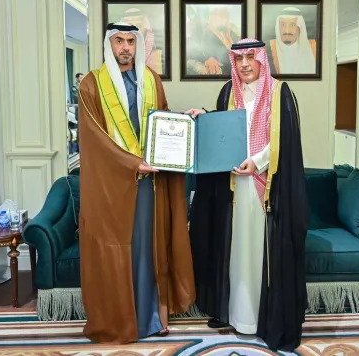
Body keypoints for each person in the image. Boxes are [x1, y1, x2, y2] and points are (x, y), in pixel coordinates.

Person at [185, 38, 309, 351]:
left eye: (250, 57)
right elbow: (225, 131)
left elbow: (286, 139)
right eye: (239, 59)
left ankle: (261, 320)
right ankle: (236, 315)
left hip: (266, 189)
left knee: (259, 254)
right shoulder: (229, 91)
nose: (244, 65)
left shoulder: (280, 93)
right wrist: (204, 117)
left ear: (261, 60)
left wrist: (257, 161)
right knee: (235, 253)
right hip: (233, 190)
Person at [77, 22, 195, 344]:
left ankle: (152, 317)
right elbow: (94, 139)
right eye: (119, 41)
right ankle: (120, 321)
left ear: (138, 45)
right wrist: (132, 163)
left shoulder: (151, 80)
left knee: (148, 248)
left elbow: (162, 119)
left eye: (131, 41)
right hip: (112, 186)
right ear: (109, 45)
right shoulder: (91, 85)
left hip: (149, 183)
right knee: (119, 252)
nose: (125, 47)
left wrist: (184, 122)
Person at [266, 7, 317, 74]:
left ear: (300, 27)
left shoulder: (315, 47)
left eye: (292, 25)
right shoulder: (267, 49)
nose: (287, 30)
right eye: (283, 25)